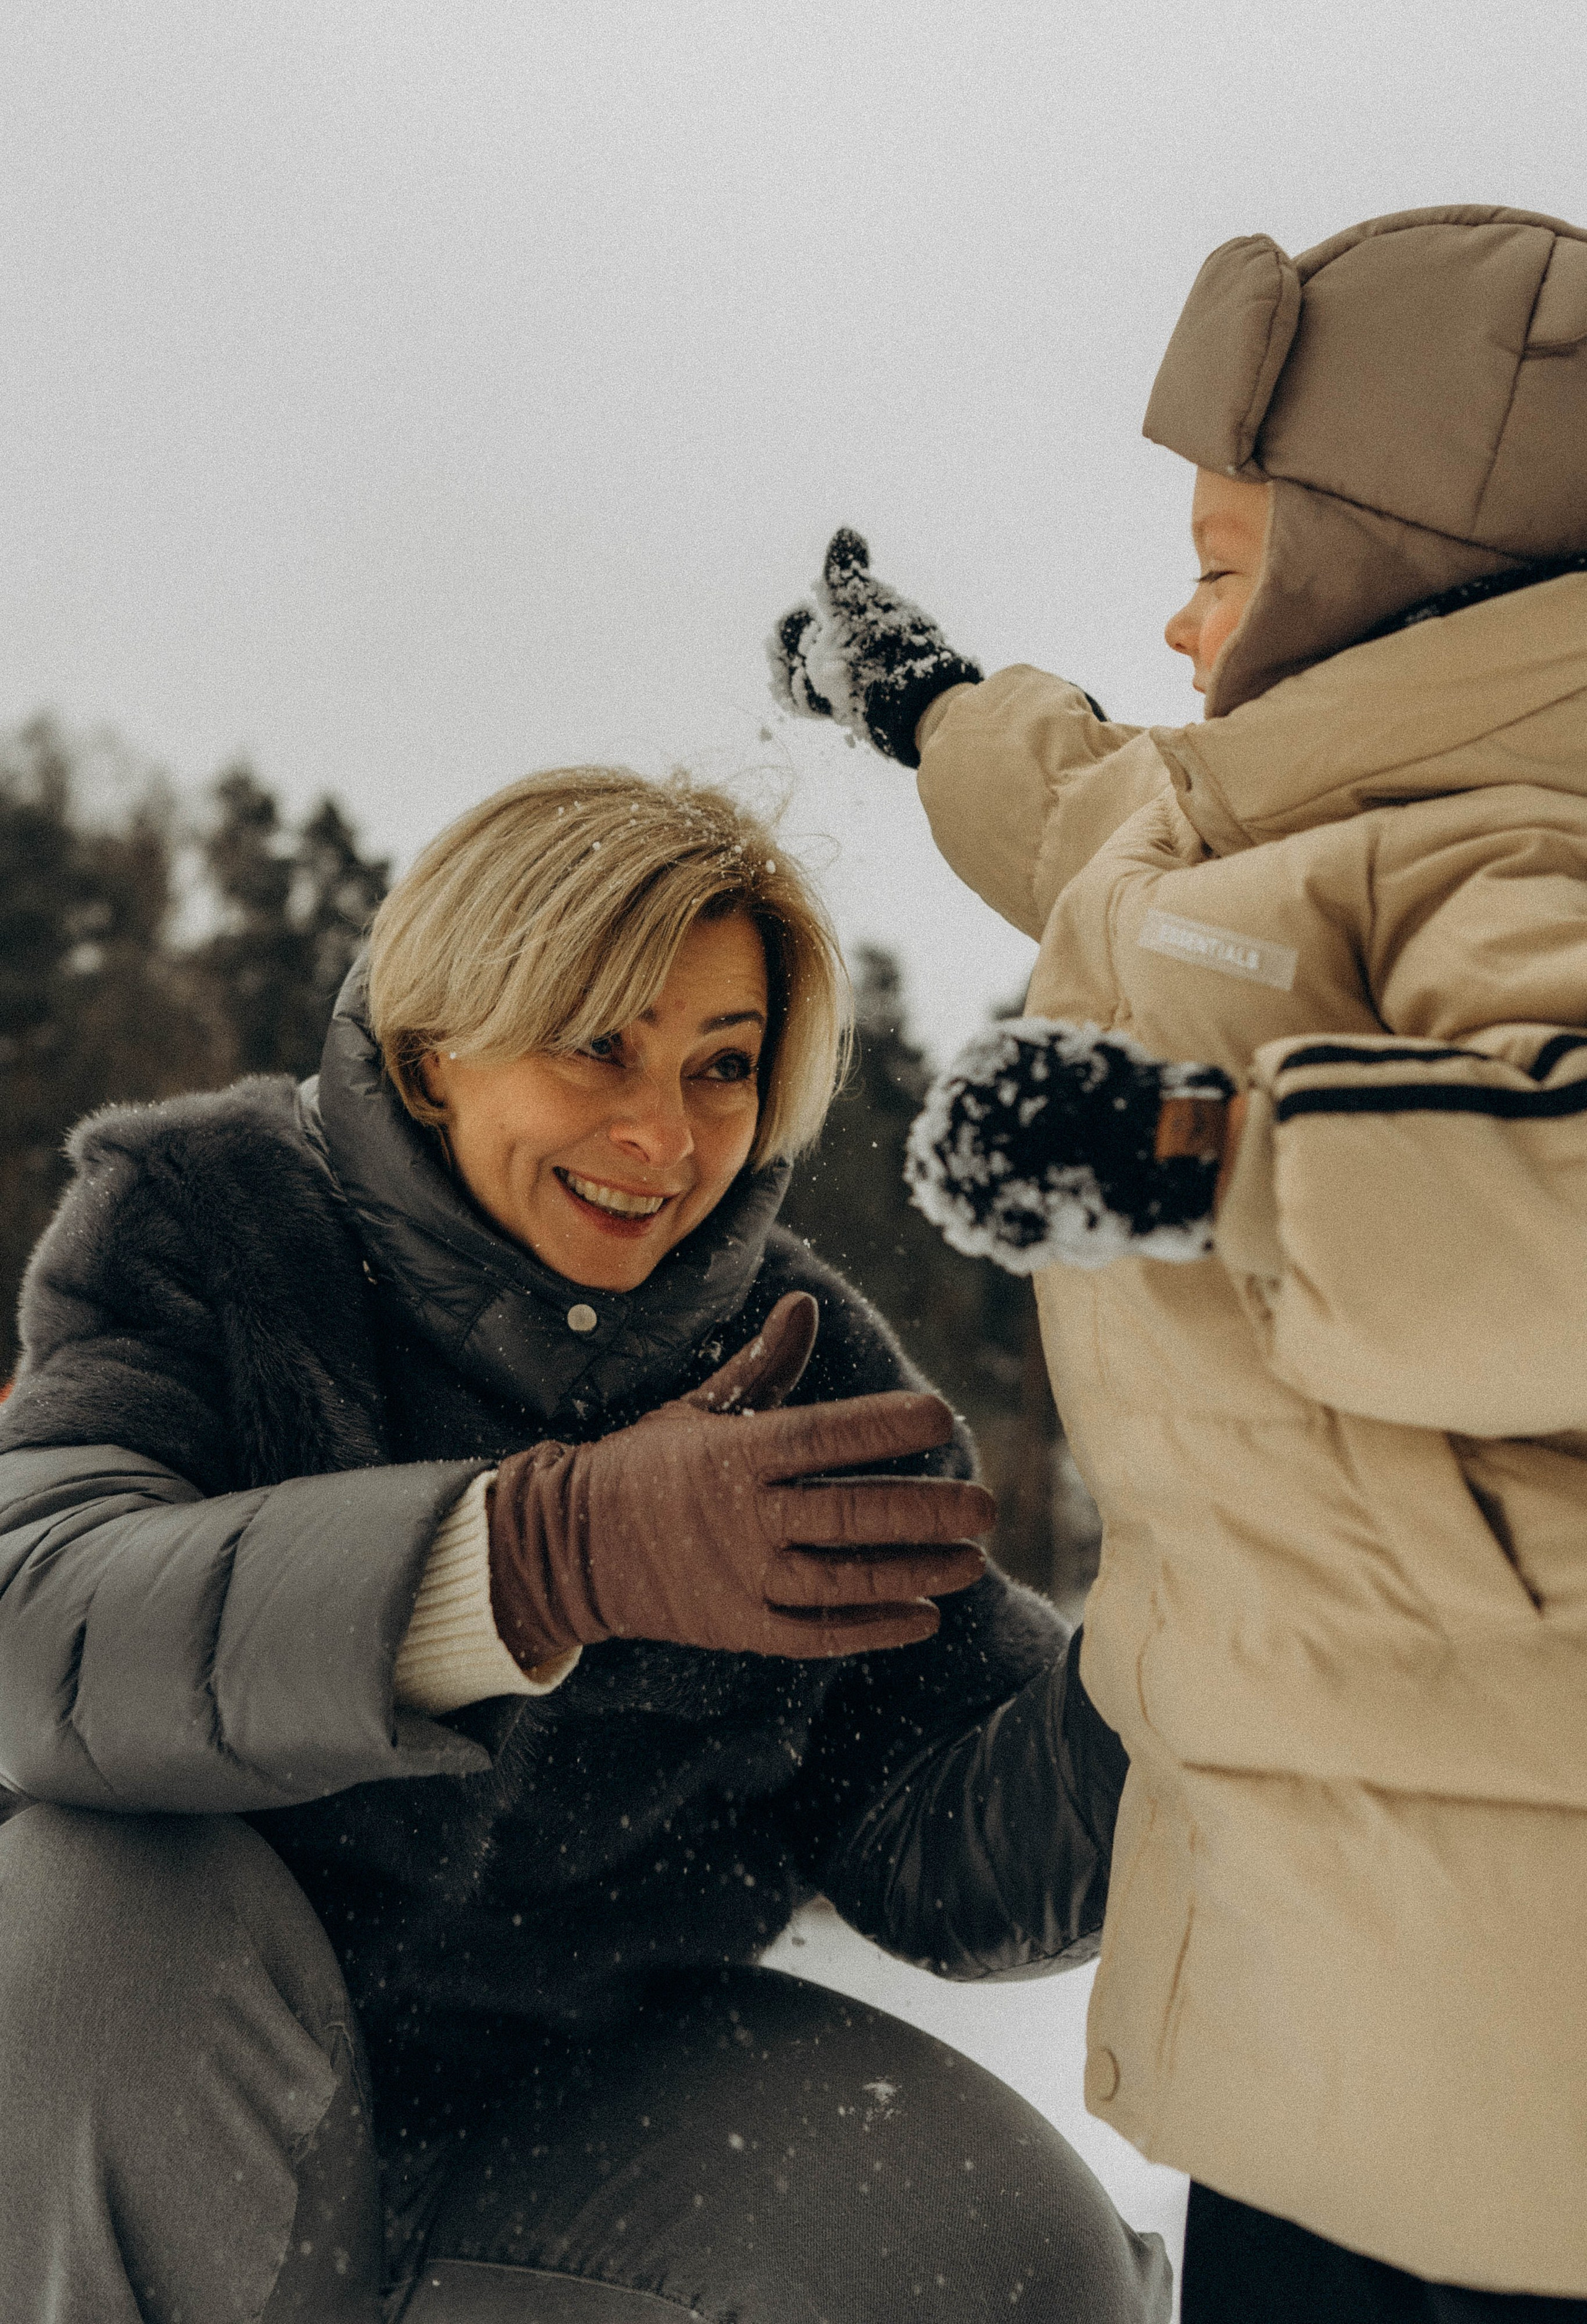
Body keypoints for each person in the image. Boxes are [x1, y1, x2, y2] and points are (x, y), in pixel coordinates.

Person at [0, 763, 1170, 2323]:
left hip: (546, 2087)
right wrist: (537, 1558)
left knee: (1010, 2256)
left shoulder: (796, 1358)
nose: (661, 1134)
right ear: (435, 1045)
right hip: (145, 2098)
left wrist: (1181, 1662)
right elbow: (41, 1629)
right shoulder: (208, 1221)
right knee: (105, 1890)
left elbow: (937, 1825)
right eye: (597, 1046)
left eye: (721, 1066)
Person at [769, 203, 1587, 2320]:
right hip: (1328, 1889)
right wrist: (922, 699)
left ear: (1382, 569)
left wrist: (1196, 1154)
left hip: (1524, 1944)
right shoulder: (1249, 822)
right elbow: (1074, 810)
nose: (1177, 618)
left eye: (1225, 567)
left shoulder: (1526, 848)